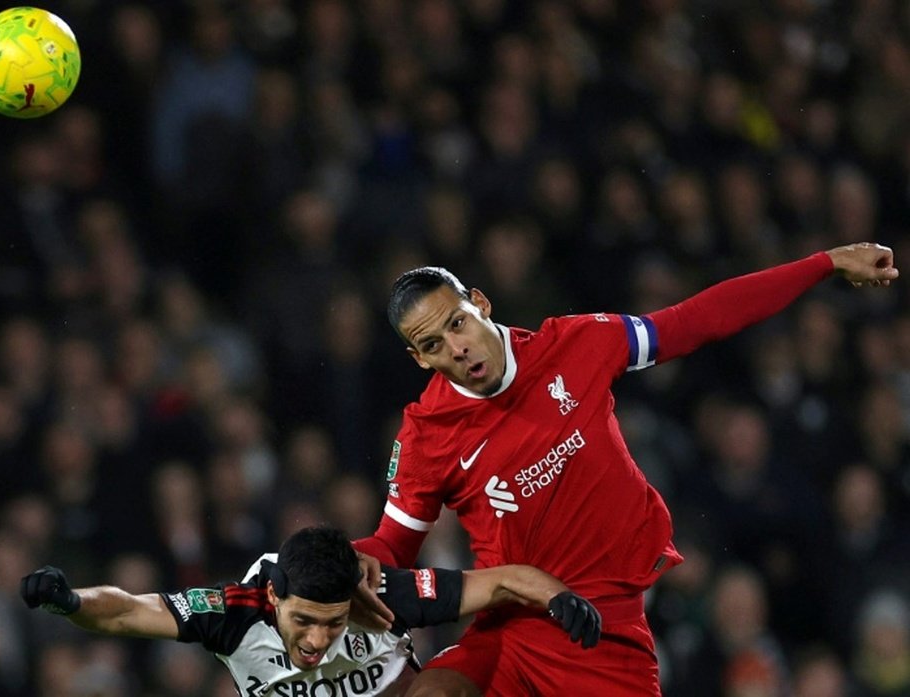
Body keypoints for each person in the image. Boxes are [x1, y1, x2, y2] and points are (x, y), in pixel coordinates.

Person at [353, 242, 898, 696]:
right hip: (511, 628)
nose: (457, 348)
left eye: (457, 323)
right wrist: (342, 561)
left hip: (603, 627)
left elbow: (696, 320)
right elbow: (393, 546)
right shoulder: (426, 432)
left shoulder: (578, 343)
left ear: (480, 304)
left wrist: (825, 263)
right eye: (433, 344)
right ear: (419, 359)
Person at [19, 525, 601, 697]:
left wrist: (560, 598)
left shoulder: (380, 594)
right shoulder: (233, 610)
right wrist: (72, 602)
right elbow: (124, 611)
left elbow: (501, 584)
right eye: (305, 621)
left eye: (334, 620)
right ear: (274, 598)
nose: (320, 638)